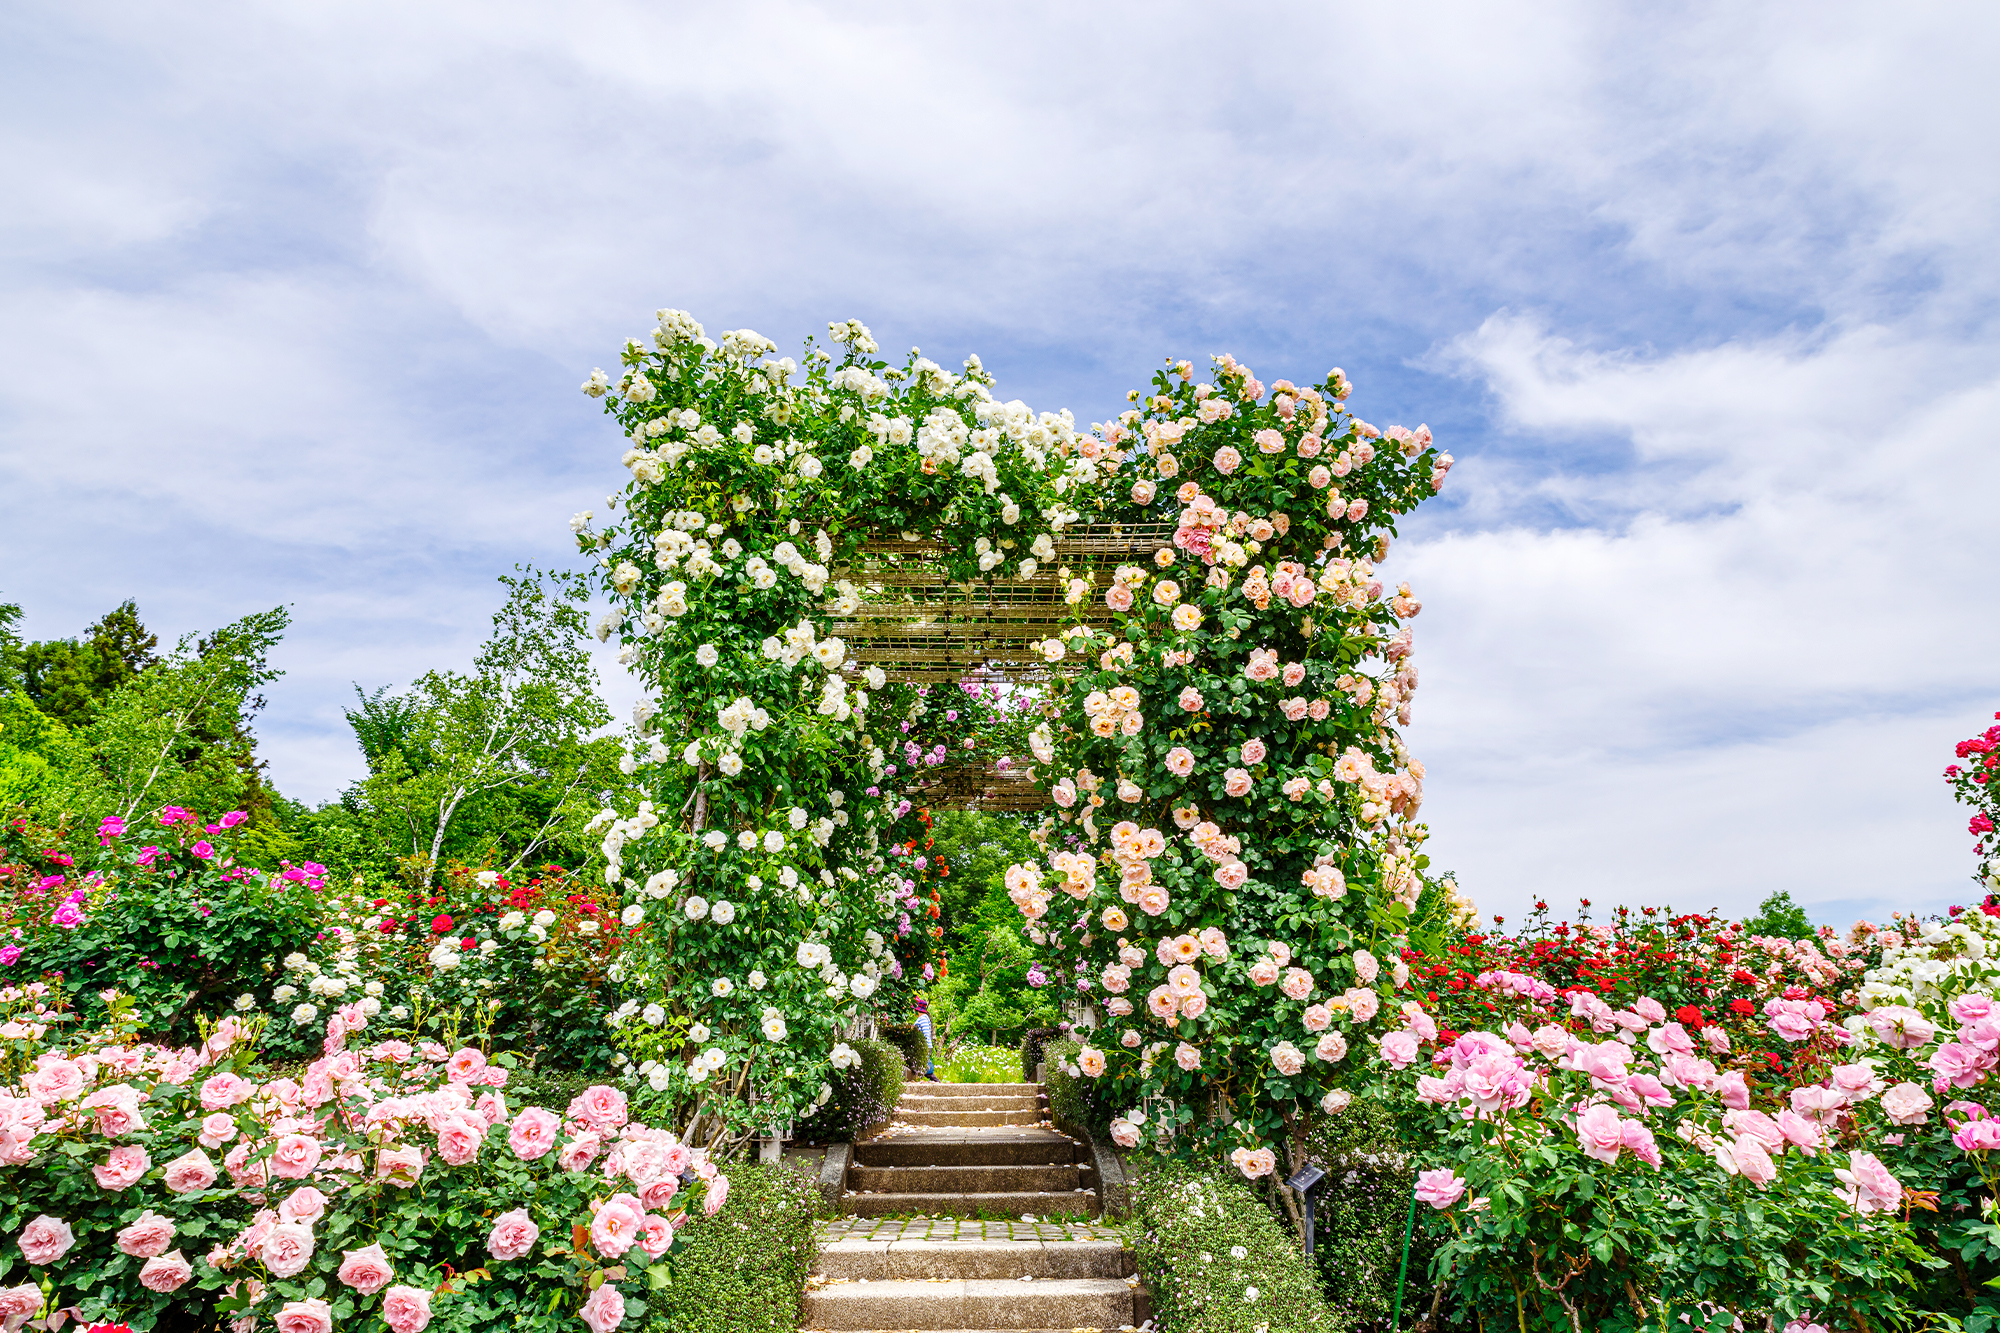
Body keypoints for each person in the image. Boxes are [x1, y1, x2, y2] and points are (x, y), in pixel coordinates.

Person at [911, 996, 937, 1080]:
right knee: (923, 1064)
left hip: (925, 1045)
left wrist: (924, 1046)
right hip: (925, 1045)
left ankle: (936, 1081)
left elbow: (925, 1033)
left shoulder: (923, 1019)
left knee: (925, 1066)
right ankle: (933, 1080)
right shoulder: (923, 1018)